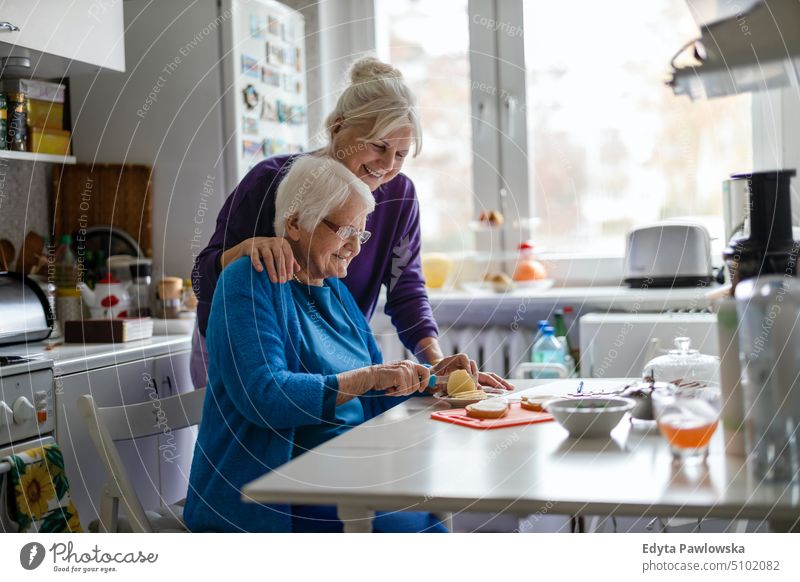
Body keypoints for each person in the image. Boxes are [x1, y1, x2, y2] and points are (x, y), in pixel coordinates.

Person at [191, 56, 512, 391]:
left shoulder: (399, 195)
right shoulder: (270, 180)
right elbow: (201, 279)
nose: (388, 165)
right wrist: (245, 250)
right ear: (337, 127)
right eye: (379, 146)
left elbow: (406, 289)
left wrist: (435, 363)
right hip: (245, 356)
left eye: (401, 154)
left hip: (328, 363)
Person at [184, 156, 452, 532]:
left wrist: (441, 382)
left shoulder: (337, 293)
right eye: (345, 231)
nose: (355, 248)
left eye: (362, 234)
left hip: (350, 479)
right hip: (275, 496)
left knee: (430, 519)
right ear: (294, 223)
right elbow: (266, 396)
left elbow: (379, 392)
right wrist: (367, 378)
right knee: (423, 532)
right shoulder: (249, 280)